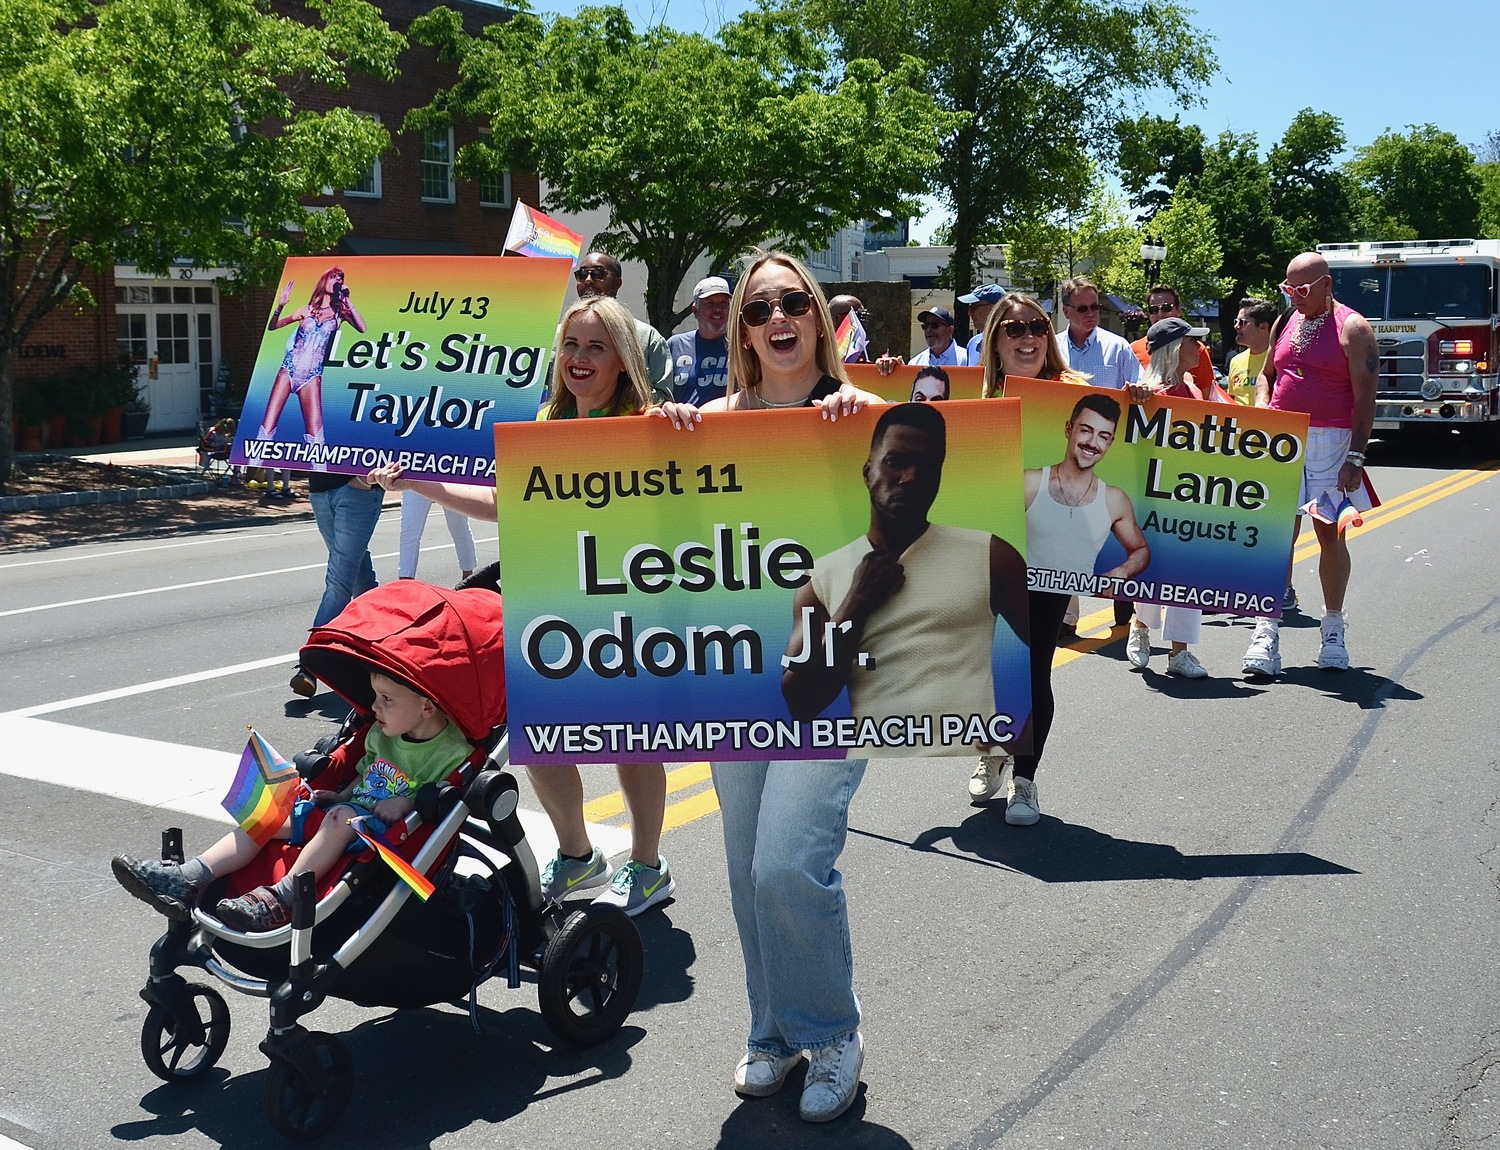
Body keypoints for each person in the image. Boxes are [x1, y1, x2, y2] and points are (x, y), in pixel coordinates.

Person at [653, 251, 880, 1123]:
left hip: (837, 679)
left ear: (819, 317)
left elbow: (945, 496)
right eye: (757, 309)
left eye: (793, 302)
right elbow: (650, 529)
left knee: (791, 863)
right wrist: (662, 435)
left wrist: (882, 422)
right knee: (748, 870)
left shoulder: (863, 417)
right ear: (740, 330)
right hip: (737, 678)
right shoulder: (710, 420)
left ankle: (833, 1034)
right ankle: (773, 1031)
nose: (775, 319)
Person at [369, 297, 675, 917]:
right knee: (545, 739)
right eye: (570, 345)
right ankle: (577, 853)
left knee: (632, 742)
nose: (579, 358)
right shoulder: (541, 427)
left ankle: (647, 866)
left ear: (623, 359)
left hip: (626, 605)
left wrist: (676, 425)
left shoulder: (650, 427)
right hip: (545, 604)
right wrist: (415, 479)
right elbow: (497, 501)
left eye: (596, 346)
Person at [112, 670, 472, 931]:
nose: (374, 707)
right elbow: (367, 774)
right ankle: (189, 877)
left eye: (386, 700)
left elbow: (442, 797)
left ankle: (282, 897)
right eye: (375, 697)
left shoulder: (451, 752)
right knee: (269, 815)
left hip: (387, 835)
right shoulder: (382, 735)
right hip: (344, 814)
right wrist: (341, 793)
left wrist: (406, 804)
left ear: (426, 707)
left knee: (342, 816)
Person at [974, 292, 1149, 821]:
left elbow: (1131, 436)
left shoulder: (1077, 395)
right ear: (996, 341)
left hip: (1051, 558)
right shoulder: (978, 395)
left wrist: (1143, 400)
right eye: (1014, 328)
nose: (1026, 336)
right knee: (987, 668)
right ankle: (993, 751)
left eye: (1035, 327)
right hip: (990, 556)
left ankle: (1024, 778)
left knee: (1032, 668)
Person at [781, 402, 1030, 760]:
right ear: (868, 471)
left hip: (961, 763)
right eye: (895, 461)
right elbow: (800, 703)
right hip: (871, 778)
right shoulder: (820, 578)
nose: (911, 477)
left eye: (926, 466)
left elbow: (1045, 651)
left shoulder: (991, 555)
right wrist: (857, 601)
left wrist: (1022, 747)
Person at [1243, 252, 1378, 678]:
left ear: (1326, 284)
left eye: (1302, 289)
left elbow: (1366, 398)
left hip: (1331, 442)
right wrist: (1264, 405)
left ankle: (1333, 629)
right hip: (1283, 441)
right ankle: (1267, 630)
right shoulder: (1285, 321)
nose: (1295, 296)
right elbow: (1267, 373)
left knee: (1329, 536)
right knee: (1276, 538)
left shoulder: (1353, 328)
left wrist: (1355, 456)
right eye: (1289, 289)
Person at [1123, 318, 1216, 679]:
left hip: (1190, 496)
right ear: (1176, 348)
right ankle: (1141, 626)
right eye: (1193, 341)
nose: (1200, 347)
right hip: (1154, 497)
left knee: (1187, 573)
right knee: (1153, 567)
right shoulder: (1149, 393)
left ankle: (1179, 652)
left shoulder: (1192, 388)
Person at [290, 470, 384, 698]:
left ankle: (310, 664)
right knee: (359, 577)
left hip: (357, 489)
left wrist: (363, 480)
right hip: (320, 487)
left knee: (339, 580)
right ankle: (382, 650)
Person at [257, 267, 366, 444]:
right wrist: (280, 306)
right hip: (289, 370)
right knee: (266, 427)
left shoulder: (340, 314)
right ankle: (256, 463)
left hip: (312, 375)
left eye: (340, 278)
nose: (337, 280)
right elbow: (274, 326)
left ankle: (318, 471)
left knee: (316, 435)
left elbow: (362, 328)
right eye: (333, 277)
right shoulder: (306, 310)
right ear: (324, 281)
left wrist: (348, 301)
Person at [573, 251, 672, 404]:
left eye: (598, 273)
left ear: (617, 283)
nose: (588, 280)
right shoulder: (559, 333)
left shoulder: (647, 337)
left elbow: (663, 400)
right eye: (582, 274)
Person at [1057, 276, 1139, 390]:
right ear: (1066, 312)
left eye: (1095, 307)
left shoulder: (1118, 347)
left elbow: (1139, 382)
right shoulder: (1053, 348)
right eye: (1082, 309)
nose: (1090, 313)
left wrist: (1139, 389)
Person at [1129, 284, 1216, 386]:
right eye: (1154, 310)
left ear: (1178, 311)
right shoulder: (1132, 350)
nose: (1160, 314)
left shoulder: (1197, 349)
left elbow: (1204, 395)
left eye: (1166, 308)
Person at [669, 276, 732, 405]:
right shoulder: (675, 345)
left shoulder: (742, 347)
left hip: (729, 424)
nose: (718, 309)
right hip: (685, 424)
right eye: (710, 303)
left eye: (724, 303)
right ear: (695, 311)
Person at [397, 490, 476, 583]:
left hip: (449, 480)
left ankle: (469, 579)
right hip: (415, 480)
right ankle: (405, 583)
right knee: (409, 532)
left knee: (459, 527)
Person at [1226, 297, 1279, 407]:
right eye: (1236, 321)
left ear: (1263, 327)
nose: (1236, 326)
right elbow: (1231, 399)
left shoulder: (1279, 361)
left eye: (1242, 322)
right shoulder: (1236, 361)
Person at [959, 283, 1005, 366]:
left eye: (974, 307)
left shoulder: (1012, 343)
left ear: (993, 309)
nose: (969, 313)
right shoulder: (973, 344)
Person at [828, 295, 871, 364]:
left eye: (864, 315)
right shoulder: (820, 355)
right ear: (842, 318)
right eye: (859, 315)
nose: (864, 321)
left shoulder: (861, 344)